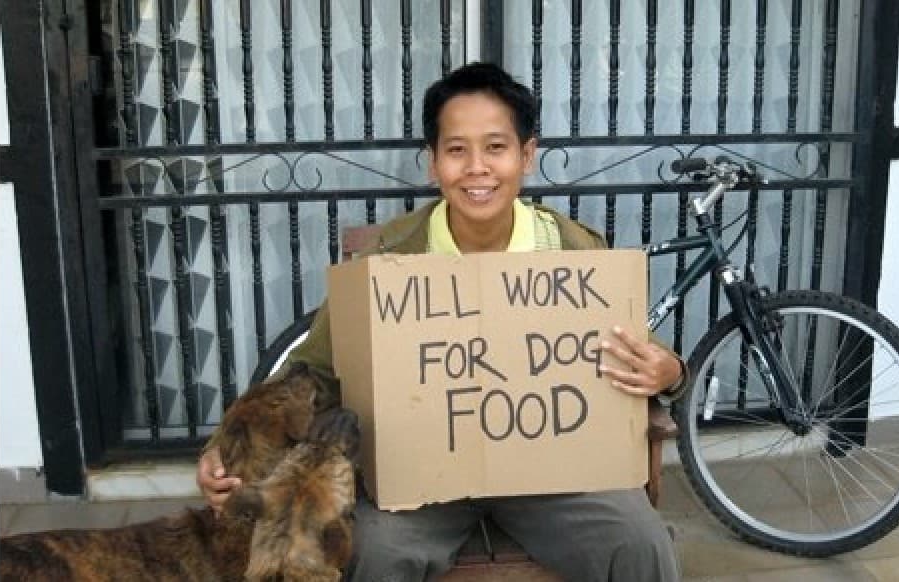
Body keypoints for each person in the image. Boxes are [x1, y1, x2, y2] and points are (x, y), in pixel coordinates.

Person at [199, 62, 685, 581]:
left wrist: (669, 372)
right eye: (456, 150)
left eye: (496, 147)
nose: (477, 168)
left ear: (526, 156)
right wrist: (225, 448)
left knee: (641, 544)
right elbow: (309, 374)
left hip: (552, 476)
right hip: (421, 481)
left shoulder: (572, 250)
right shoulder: (386, 262)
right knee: (374, 553)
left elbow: (646, 353)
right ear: (433, 163)